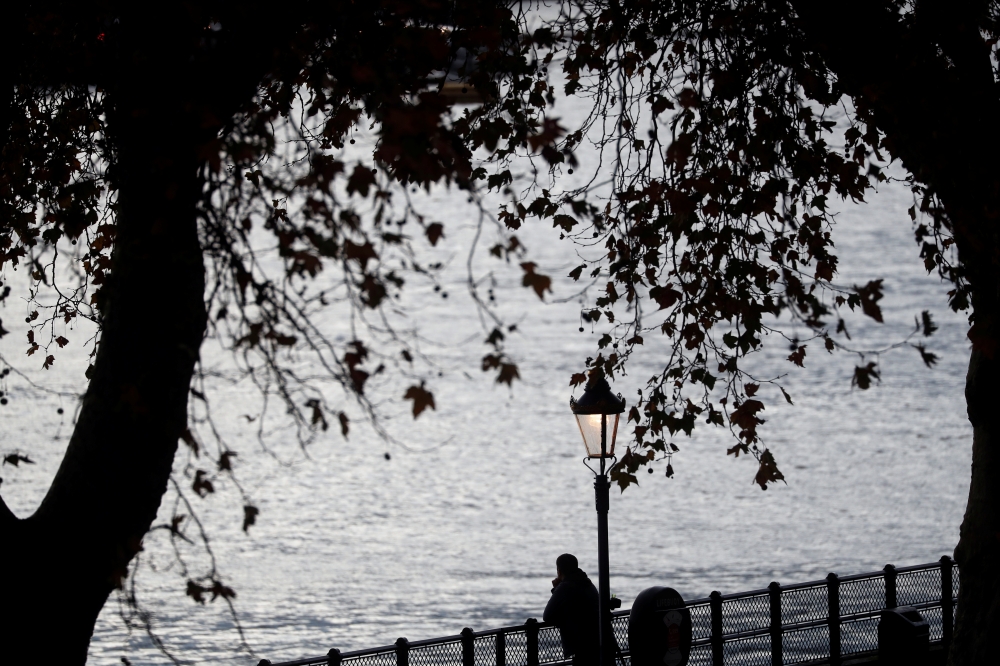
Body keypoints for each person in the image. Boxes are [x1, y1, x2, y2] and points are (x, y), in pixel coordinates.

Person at [543, 553, 600, 666]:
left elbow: (547, 616)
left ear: (559, 571)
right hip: (600, 641)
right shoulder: (587, 583)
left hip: (582, 647)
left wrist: (556, 588)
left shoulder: (565, 586)